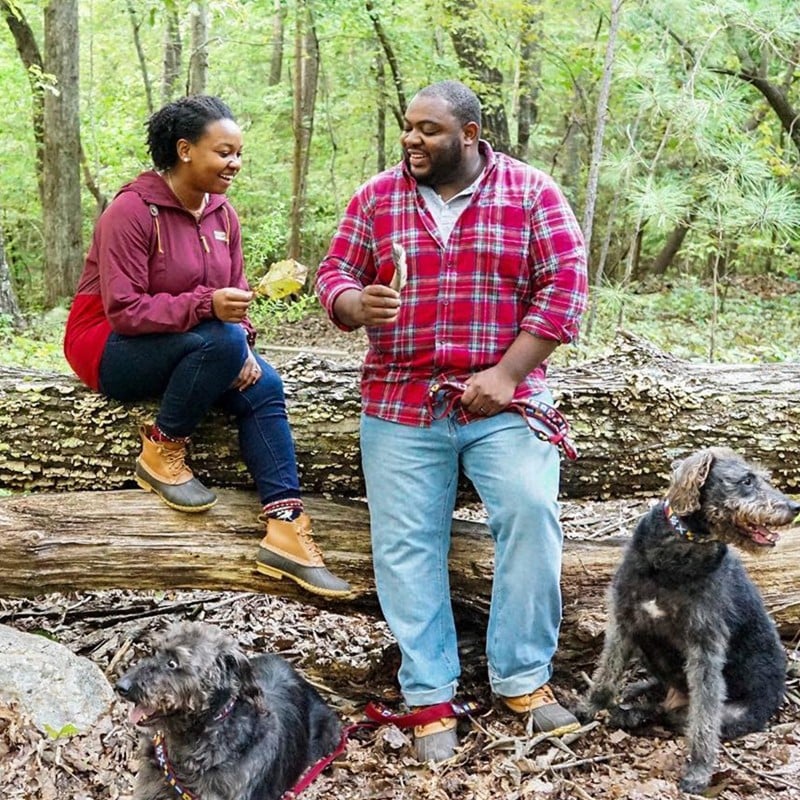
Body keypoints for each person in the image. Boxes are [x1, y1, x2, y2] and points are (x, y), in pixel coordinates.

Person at [315, 80, 588, 760]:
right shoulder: (377, 198)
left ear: (469, 135)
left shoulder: (530, 192)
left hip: (504, 397)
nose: (412, 139)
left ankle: (523, 678)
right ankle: (431, 694)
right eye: (408, 127)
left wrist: (506, 374)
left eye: (429, 130)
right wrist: (353, 304)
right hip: (401, 400)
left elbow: (566, 286)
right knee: (406, 545)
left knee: (530, 510)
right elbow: (334, 273)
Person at [64, 95, 350, 598]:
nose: (234, 164)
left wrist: (240, 342)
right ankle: (161, 449)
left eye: (239, 153)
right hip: (108, 346)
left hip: (192, 343)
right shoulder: (130, 212)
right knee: (219, 340)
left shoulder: (223, 216)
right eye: (224, 152)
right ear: (184, 150)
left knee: (266, 383)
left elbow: (234, 301)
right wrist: (213, 320)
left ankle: (286, 525)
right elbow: (126, 312)